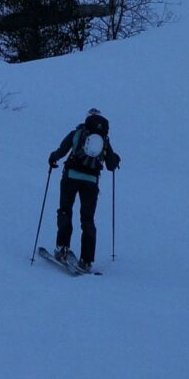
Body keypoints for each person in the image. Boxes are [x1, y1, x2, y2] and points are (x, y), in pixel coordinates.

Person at [47, 108, 121, 267]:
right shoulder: (104, 140)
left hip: (70, 177)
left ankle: (62, 249)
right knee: (87, 219)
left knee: (65, 210)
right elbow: (110, 165)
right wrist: (115, 158)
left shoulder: (77, 133)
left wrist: (53, 158)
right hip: (91, 182)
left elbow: (62, 150)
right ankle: (86, 260)